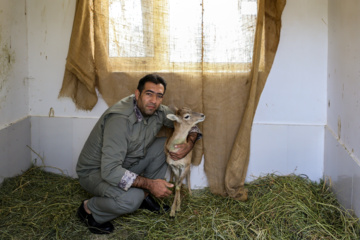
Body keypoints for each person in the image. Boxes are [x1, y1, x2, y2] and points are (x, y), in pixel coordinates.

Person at [76, 73, 201, 234]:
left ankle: (144, 196)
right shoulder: (120, 120)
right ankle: (89, 209)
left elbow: (189, 123)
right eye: (149, 94)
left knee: (164, 146)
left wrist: (189, 144)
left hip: (124, 164)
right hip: (97, 172)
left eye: (159, 96)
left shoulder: (157, 111)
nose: (154, 101)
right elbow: (110, 170)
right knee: (131, 200)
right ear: (137, 94)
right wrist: (151, 184)